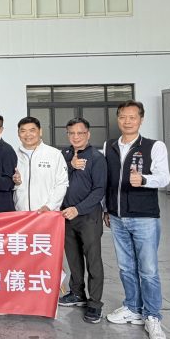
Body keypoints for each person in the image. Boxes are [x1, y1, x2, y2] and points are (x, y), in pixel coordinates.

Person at [103, 100, 170, 339]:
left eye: (132, 117)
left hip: (144, 217)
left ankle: (152, 316)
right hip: (117, 217)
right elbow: (108, 181)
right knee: (125, 267)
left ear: (141, 119)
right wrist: (106, 209)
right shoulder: (109, 146)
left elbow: (164, 178)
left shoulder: (154, 146)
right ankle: (132, 307)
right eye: (123, 117)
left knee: (149, 270)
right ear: (118, 119)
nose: (127, 121)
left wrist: (144, 180)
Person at [57, 118, 107, 324]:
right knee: (73, 258)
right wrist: (70, 166)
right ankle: (77, 293)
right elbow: (57, 180)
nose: (76, 137)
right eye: (72, 133)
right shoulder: (64, 155)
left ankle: (95, 304)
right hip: (66, 215)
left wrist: (78, 209)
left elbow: (99, 190)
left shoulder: (96, 158)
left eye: (80, 133)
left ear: (88, 134)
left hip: (88, 217)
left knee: (93, 260)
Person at [12, 116, 68, 213]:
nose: (28, 134)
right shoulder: (13, 155)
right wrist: (15, 183)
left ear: (40, 131)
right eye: (23, 131)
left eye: (32, 130)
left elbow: (62, 184)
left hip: (47, 213)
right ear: (18, 134)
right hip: (21, 214)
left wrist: (49, 206)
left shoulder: (54, 154)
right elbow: (8, 185)